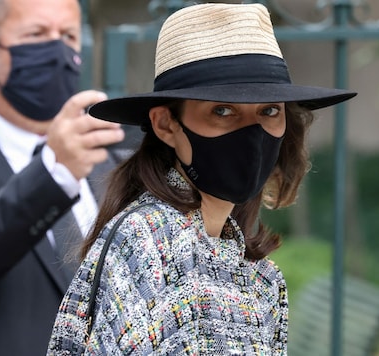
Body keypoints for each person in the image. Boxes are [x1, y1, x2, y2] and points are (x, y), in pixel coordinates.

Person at [47, 3, 356, 355]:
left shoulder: (260, 278)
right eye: (222, 111)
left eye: (270, 111)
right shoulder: (148, 244)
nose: (252, 134)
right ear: (166, 124)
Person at [0, 0, 124, 355]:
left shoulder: (114, 166)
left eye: (68, 35)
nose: (57, 50)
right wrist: (54, 175)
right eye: (37, 34)